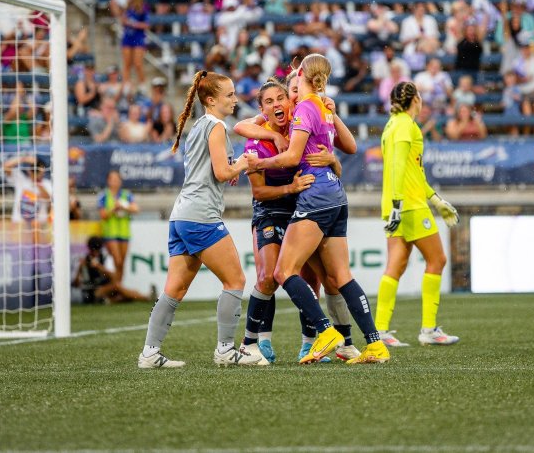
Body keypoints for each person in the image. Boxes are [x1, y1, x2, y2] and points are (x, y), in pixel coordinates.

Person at [248, 54, 389, 364]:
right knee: (340, 276)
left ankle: (326, 332)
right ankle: (375, 344)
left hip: (316, 196)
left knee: (283, 271)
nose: (288, 92)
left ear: (303, 80)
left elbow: (291, 157)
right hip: (337, 196)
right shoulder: (320, 108)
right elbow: (246, 126)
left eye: (293, 82)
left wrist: (260, 162)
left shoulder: (304, 110)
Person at [138, 70, 263, 368]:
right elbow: (221, 172)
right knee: (235, 279)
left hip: (180, 215)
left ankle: (149, 353)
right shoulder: (217, 127)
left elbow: (210, 170)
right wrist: (242, 164)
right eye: (229, 95)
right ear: (210, 100)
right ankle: (225, 349)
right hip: (201, 216)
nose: (235, 99)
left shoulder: (198, 127)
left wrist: (229, 169)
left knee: (175, 289)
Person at [237, 79, 349, 363]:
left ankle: (309, 344)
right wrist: (290, 185)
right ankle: (254, 343)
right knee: (268, 276)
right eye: (269, 102)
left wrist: (332, 159)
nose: (277, 105)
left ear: (291, 101)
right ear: (262, 109)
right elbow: (259, 191)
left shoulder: (301, 124)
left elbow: (344, 149)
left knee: (312, 279)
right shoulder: (256, 138)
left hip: (301, 205)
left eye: (281, 98)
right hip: (269, 208)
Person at [375, 81, 461, 348]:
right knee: (437, 259)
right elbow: (400, 166)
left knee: (396, 265)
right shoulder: (405, 126)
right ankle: (428, 329)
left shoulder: (392, 124)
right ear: (415, 100)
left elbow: (411, 171)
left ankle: (379, 330)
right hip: (409, 205)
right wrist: (401, 204)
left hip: (397, 203)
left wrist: (435, 199)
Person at [73, 236, 152, 304]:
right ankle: (146, 297)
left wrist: (99, 267)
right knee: (118, 287)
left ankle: (109, 301)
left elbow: (114, 277)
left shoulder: (104, 258)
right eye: (93, 250)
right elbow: (75, 284)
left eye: (97, 250)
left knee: (123, 295)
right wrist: (80, 269)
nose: (95, 252)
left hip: (104, 289)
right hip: (92, 292)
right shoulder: (84, 261)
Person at [98, 170, 138, 284]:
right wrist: (114, 209)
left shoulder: (126, 195)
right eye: (113, 179)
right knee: (117, 261)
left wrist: (124, 207)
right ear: (108, 181)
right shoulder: (104, 195)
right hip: (110, 233)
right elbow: (103, 215)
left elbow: (136, 209)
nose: (115, 182)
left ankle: (117, 288)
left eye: (117, 179)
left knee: (121, 263)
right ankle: (116, 288)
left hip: (124, 233)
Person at [3, 155, 52, 230]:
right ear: (29, 170)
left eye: (38, 170)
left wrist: (37, 181)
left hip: (39, 227)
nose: (36, 172)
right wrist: (24, 159)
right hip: (19, 225)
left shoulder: (46, 184)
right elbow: (6, 166)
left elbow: (48, 198)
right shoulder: (21, 180)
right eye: (34, 169)